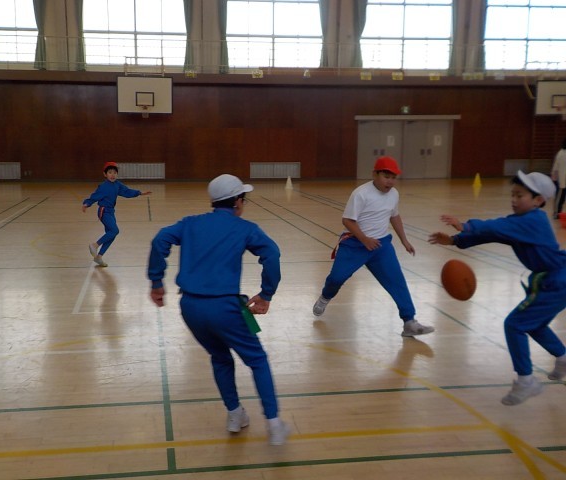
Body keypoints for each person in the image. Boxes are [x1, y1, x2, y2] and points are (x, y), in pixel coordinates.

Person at [147, 174, 290, 446]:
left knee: (220, 357)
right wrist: (266, 293)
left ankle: (235, 414)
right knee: (257, 360)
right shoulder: (245, 228)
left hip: (190, 307)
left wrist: (156, 282)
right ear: (237, 202)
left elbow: (159, 240)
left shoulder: (190, 223)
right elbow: (271, 254)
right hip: (225, 307)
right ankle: (274, 424)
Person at [428, 170, 566, 406]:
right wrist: (454, 240)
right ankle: (562, 358)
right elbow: (494, 234)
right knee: (533, 323)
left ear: (538, 200)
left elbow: (496, 227)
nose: (514, 199)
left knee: (514, 325)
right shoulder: (523, 221)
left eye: (520, 195)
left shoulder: (532, 220)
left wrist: (465, 226)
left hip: (557, 281)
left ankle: (526, 380)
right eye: (513, 194)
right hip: (552, 280)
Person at [312, 156, 434, 337]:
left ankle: (409, 322)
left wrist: (404, 240)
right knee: (336, 278)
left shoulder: (394, 194)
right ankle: (325, 297)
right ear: (374, 174)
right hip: (354, 244)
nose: (390, 181)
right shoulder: (361, 194)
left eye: (393, 178)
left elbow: (394, 216)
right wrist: (364, 239)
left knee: (397, 282)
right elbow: (347, 220)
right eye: (386, 176)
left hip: (381, 246)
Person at [82, 161, 151, 267]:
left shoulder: (117, 185)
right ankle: (95, 245)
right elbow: (94, 196)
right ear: (105, 174)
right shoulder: (103, 186)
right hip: (103, 211)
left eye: (114, 172)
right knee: (114, 231)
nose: (112, 175)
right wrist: (87, 203)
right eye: (110, 172)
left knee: (111, 235)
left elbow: (127, 191)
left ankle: (99, 257)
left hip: (111, 212)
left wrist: (139, 193)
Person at [551, 137, 566, 219]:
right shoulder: (561, 154)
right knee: (560, 198)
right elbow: (556, 167)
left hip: (563, 181)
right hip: (561, 181)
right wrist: (554, 177)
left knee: (562, 198)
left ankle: (558, 213)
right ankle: (556, 213)